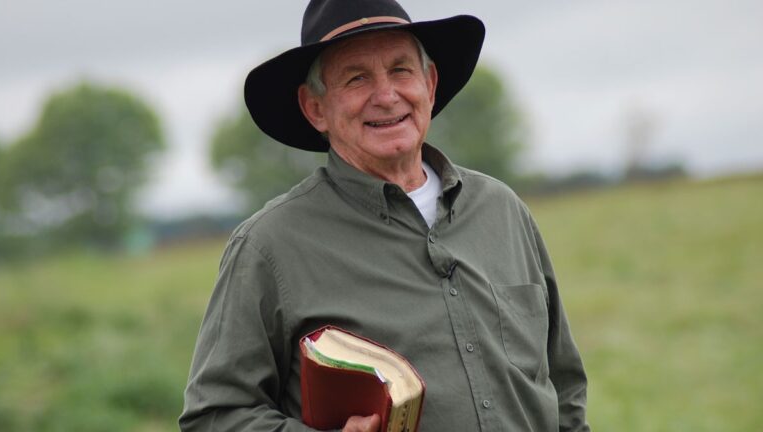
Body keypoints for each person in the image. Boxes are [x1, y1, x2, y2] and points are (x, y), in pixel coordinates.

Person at [180, 0, 590, 431]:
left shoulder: (503, 210)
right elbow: (214, 416)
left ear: (429, 84)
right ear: (315, 108)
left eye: (401, 70)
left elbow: (563, 387)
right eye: (357, 78)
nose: (386, 95)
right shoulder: (268, 246)